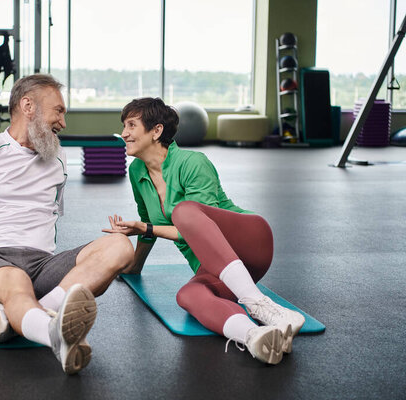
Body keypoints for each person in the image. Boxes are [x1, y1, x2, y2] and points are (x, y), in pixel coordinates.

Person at [0, 74, 134, 375]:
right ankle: (54, 334)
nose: (63, 123)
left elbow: (49, 217)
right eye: (59, 111)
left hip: (41, 265)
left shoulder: (58, 158)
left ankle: (30, 316)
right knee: (15, 281)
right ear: (28, 105)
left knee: (119, 246)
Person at [103, 97, 305, 365]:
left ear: (156, 131)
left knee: (184, 211)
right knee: (187, 296)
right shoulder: (137, 170)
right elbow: (145, 222)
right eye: (123, 126)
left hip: (250, 241)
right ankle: (255, 336)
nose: (124, 133)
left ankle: (259, 304)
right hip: (215, 268)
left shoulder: (192, 162)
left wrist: (148, 226)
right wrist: (134, 266)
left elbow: (197, 229)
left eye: (131, 125)